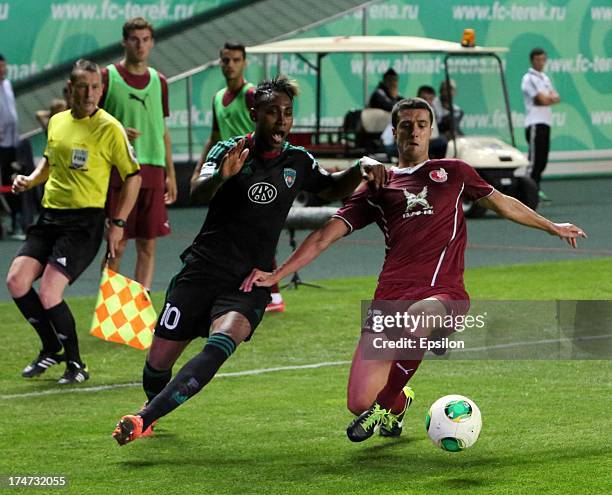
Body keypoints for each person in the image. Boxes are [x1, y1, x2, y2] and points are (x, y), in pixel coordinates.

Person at [241, 97, 586, 443]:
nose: (415, 132)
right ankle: (400, 401)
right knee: (357, 400)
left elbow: (503, 204)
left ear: (431, 130)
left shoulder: (454, 172)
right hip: (389, 299)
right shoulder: (377, 184)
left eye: (422, 125)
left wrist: (551, 225)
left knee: (417, 321)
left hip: (443, 296)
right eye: (406, 125)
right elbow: (323, 237)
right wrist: (278, 274)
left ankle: (387, 401)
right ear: (394, 132)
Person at [111, 76, 387, 445]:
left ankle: (144, 418)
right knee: (157, 363)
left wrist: (361, 165)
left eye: (287, 113)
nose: (282, 121)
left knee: (221, 342)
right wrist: (221, 178)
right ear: (254, 112)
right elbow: (197, 191)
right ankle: (153, 405)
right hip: (200, 271)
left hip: (247, 282)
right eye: (273, 112)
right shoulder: (229, 150)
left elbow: (332, 186)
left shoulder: (298, 160)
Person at [6, 59, 141, 384]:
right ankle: (52, 348)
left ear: (102, 89)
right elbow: (50, 164)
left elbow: (133, 177)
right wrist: (30, 180)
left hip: (84, 223)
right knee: (16, 282)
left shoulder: (110, 128)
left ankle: (76, 364)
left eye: (96, 87)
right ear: (70, 89)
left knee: (51, 293)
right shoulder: (57, 122)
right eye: (83, 87)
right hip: (49, 217)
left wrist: (118, 223)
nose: (90, 93)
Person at [191, 41, 285, 313]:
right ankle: (253, 290)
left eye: (234, 60)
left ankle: (274, 294)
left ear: (245, 63)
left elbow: (270, 129)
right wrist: (200, 169)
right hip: (229, 175)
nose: (229, 65)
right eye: (225, 60)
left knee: (258, 234)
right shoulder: (218, 98)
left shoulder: (252, 94)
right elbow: (215, 137)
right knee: (235, 233)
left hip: (254, 175)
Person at [101, 17, 177, 290]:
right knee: (117, 243)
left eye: (146, 39)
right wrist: (118, 129)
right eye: (135, 39)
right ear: (124, 42)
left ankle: (139, 313)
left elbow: (162, 130)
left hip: (154, 170)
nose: (141, 45)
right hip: (119, 171)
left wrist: (170, 173)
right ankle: (110, 312)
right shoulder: (107, 77)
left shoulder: (160, 81)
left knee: (147, 245)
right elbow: (90, 122)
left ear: (152, 42)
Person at [521, 48, 560, 202]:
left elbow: (556, 97)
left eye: (543, 59)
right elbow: (542, 100)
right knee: (534, 161)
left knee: (542, 161)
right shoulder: (528, 78)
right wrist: (547, 98)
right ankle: (526, 193)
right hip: (534, 123)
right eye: (537, 60)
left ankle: (535, 190)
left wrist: (547, 98)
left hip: (546, 122)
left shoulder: (544, 78)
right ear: (532, 60)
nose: (540, 63)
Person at [0, 53, 22, 238]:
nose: (2, 70)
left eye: (3, 66)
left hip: (11, 144)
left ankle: (16, 224)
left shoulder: (7, 85)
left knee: (12, 182)